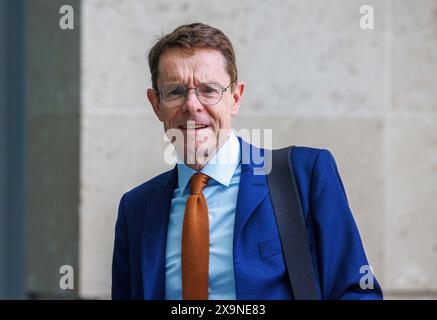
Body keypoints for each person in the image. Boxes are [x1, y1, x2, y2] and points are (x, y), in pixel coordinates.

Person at [111, 22, 383, 300]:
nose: (192, 105)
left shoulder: (305, 175)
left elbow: (356, 291)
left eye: (208, 90)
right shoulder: (136, 209)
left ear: (236, 98)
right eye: (175, 92)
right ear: (156, 104)